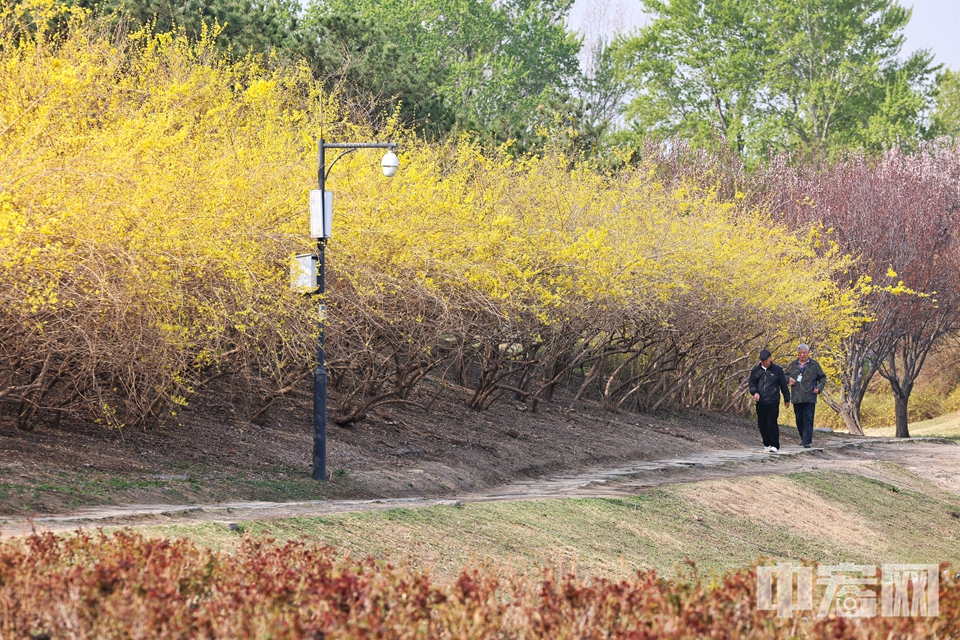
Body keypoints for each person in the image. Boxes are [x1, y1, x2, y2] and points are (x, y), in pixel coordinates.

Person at [784, 343, 827, 448]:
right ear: (798, 354)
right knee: (799, 419)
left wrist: (819, 388)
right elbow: (784, 376)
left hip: (809, 397)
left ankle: (806, 441)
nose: (802, 355)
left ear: (808, 353)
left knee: (808, 418)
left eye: (804, 353)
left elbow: (823, 378)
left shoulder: (814, 365)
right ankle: (803, 438)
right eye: (800, 353)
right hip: (796, 397)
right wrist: (788, 379)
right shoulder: (793, 364)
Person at [748, 349, 790, 453]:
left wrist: (787, 398)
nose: (764, 362)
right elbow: (752, 383)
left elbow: (783, 385)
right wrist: (755, 393)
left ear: (770, 359)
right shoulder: (756, 370)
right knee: (762, 423)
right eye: (762, 360)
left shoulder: (777, 370)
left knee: (772, 423)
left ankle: (775, 445)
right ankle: (767, 443)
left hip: (773, 400)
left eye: (765, 360)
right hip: (760, 401)